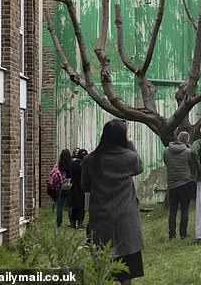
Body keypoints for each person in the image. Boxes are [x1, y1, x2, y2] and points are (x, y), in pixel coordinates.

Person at [81, 120, 144, 284]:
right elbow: (139, 168)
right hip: (126, 218)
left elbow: (85, 187)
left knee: (102, 266)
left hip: (101, 217)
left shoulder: (90, 159)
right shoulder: (130, 158)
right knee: (126, 270)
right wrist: (129, 142)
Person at [163, 131, 194, 239]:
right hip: (185, 183)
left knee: (173, 210)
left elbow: (166, 162)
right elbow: (193, 162)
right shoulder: (188, 152)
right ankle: (183, 234)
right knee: (184, 209)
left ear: (177, 138)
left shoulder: (166, 151)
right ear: (187, 141)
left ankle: (172, 235)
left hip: (172, 184)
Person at [68, 148, 87, 229]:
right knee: (81, 206)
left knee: (73, 205)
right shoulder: (84, 165)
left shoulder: (72, 164)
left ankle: (72, 223)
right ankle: (80, 223)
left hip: (73, 187)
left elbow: (68, 174)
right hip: (82, 188)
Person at [53, 149, 72, 227]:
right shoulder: (71, 164)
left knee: (60, 206)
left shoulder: (57, 166)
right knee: (71, 205)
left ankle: (59, 222)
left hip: (60, 188)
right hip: (69, 187)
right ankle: (72, 221)